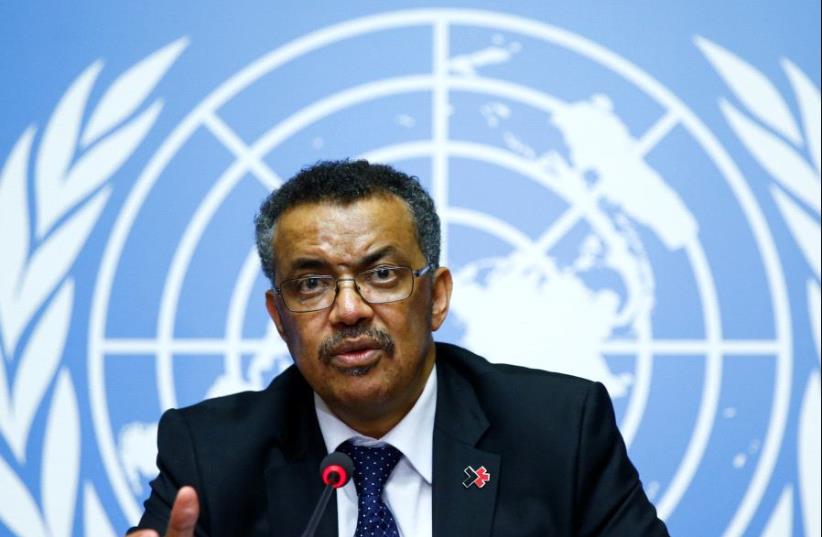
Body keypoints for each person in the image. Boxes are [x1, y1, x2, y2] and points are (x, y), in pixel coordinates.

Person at [128, 160, 669, 537]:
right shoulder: (211, 454)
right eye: (311, 284)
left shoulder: (560, 431)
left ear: (436, 297)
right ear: (278, 317)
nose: (348, 310)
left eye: (382, 274)